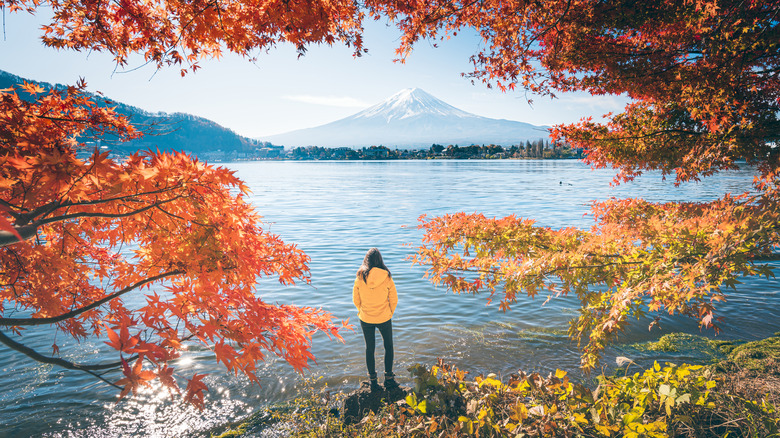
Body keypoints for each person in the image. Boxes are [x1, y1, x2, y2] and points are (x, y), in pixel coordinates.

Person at [353, 247, 399, 392]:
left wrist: (361, 310)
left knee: (369, 348)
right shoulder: (387, 276)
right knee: (389, 346)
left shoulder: (360, 276)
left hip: (366, 318)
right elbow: (394, 298)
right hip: (384, 317)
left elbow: (355, 299)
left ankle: (372, 380)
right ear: (380, 260)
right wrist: (390, 312)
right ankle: (389, 378)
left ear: (366, 260)